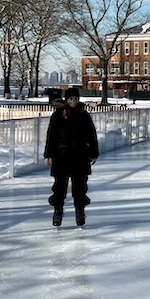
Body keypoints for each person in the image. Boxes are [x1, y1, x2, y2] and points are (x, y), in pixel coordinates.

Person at [43, 87, 99, 228]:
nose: (73, 101)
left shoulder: (84, 115)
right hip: (61, 156)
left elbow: (91, 136)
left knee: (80, 187)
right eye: (70, 99)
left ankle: (80, 212)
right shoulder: (58, 116)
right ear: (66, 100)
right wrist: (48, 154)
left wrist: (93, 152)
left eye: (75, 99)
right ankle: (58, 211)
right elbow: (52, 136)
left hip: (80, 156)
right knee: (59, 187)